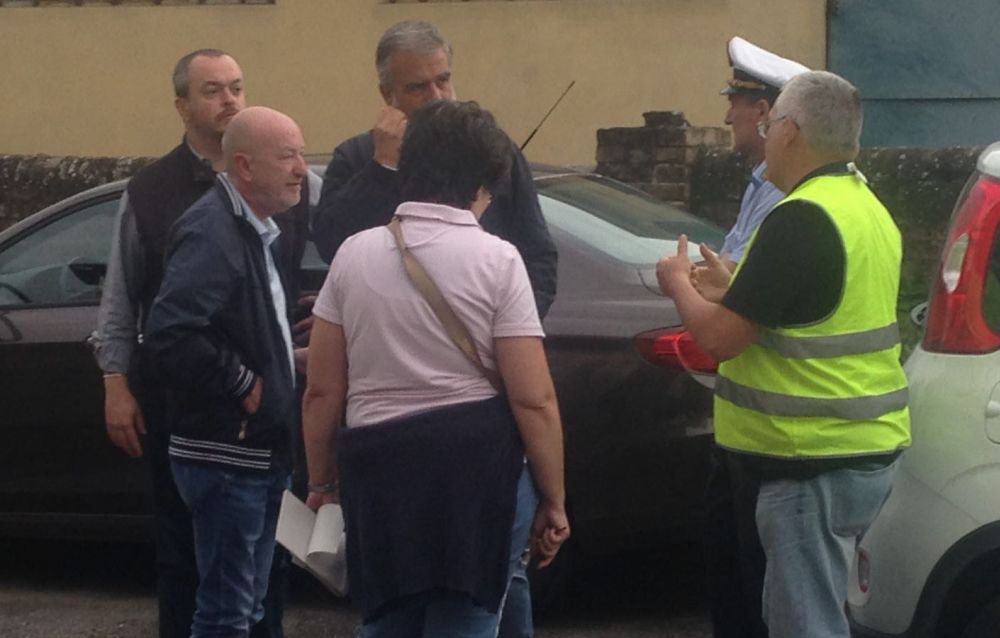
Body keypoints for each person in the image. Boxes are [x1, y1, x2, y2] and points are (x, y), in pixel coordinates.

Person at [656, 71, 911, 638]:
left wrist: (677, 283)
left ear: (790, 131)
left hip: (808, 460)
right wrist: (733, 284)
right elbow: (814, 306)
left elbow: (720, 340)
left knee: (804, 625)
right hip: (858, 448)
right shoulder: (863, 206)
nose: (764, 136)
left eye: (770, 125)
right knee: (796, 614)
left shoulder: (800, 216)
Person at [302, 99, 569, 638]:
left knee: (387, 615)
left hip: (378, 469)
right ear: (490, 177)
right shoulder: (498, 260)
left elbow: (323, 390)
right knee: (468, 614)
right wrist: (554, 497)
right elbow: (532, 398)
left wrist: (321, 481)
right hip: (476, 471)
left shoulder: (354, 254)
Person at [91, 49, 311, 638]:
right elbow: (133, 301)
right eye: (213, 90)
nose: (229, 99)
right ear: (183, 105)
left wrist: (289, 354)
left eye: (237, 87)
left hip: (259, 428)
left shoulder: (281, 194)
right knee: (194, 572)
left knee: (257, 582)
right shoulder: (156, 193)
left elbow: (273, 292)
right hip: (199, 418)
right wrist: (116, 378)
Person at [144, 106, 307, 638]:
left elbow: (243, 326)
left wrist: (287, 364)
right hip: (226, 456)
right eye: (287, 156)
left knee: (247, 606)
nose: (301, 168)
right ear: (244, 166)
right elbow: (171, 331)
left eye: (300, 154)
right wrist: (243, 384)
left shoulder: (254, 226)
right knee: (226, 612)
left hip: (255, 454)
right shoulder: (214, 231)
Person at [311, 20, 557, 322]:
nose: (437, 96)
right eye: (418, 87)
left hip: (487, 339)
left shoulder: (491, 149)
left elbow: (537, 253)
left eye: (443, 80)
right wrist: (382, 169)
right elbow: (331, 245)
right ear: (388, 94)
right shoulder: (358, 157)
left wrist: (512, 329)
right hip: (390, 339)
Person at [697, 37, 808, 638]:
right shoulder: (761, 185)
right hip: (747, 424)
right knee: (733, 575)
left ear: (766, 114)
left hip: (778, 435)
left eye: (735, 100)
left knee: (764, 594)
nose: (727, 115)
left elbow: (734, 307)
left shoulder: (786, 197)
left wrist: (690, 286)